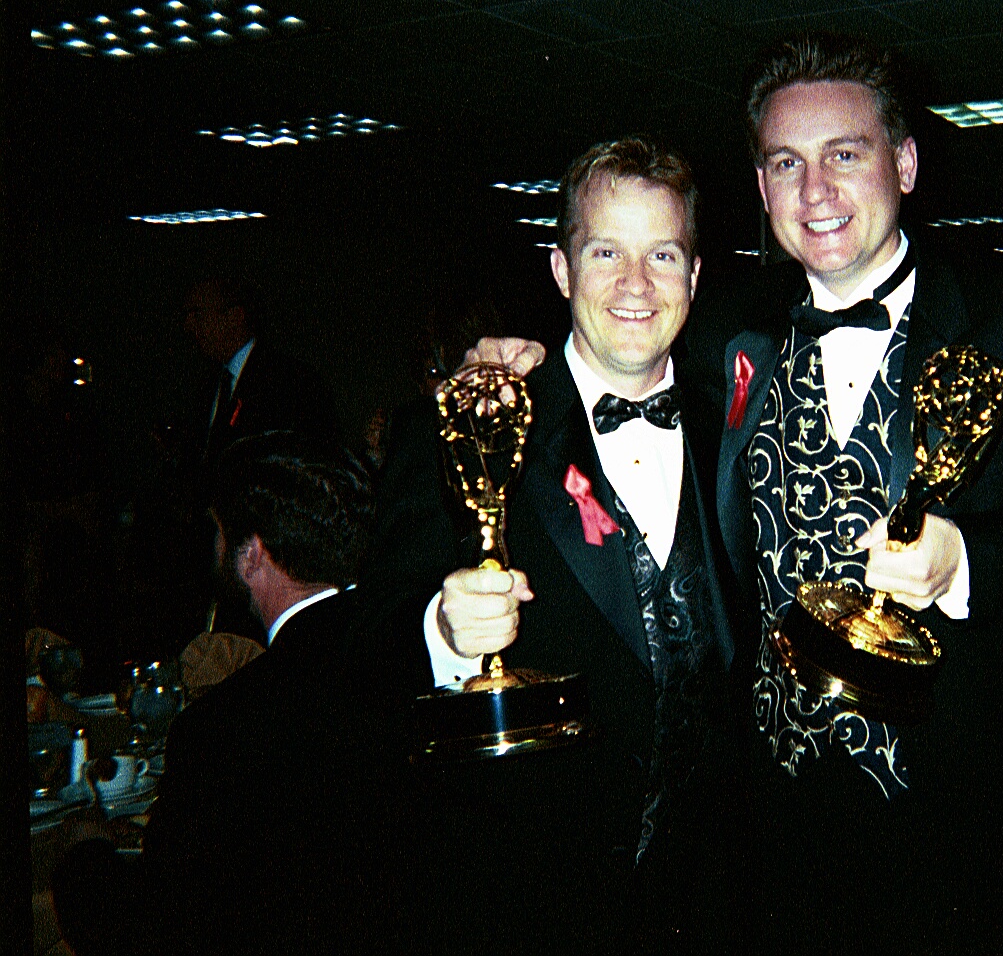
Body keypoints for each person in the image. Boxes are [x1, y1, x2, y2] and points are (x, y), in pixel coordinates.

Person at [469, 33, 1003, 951]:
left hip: (963, 812)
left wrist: (966, 563)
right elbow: (614, 344)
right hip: (770, 824)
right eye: (787, 163)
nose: (815, 191)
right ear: (761, 188)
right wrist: (512, 366)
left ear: (904, 163)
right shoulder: (726, 337)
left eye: (845, 155)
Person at [362, 136, 743, 952]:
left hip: (703, 895)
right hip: (519, 898)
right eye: (605, 251)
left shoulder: (743, 427)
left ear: (696, 275)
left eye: (663, 254)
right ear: (563, 269)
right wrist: (440, 630)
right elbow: (363, 650)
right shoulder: (468, 418)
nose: (636, 285)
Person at [53, 432, 380, 956]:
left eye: (221, 533)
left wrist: (84, 855)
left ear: (252, 555)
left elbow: (149, 932)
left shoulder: (225, 729)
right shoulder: (413, 657)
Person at [181, 276, 338, 466]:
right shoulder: (207, 386)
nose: (188, 326)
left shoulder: (289, 380)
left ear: (235, 318)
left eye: (198, 315)